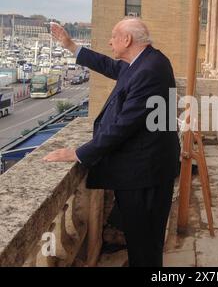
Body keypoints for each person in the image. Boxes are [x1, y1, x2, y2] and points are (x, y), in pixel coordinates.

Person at [43, 19, 181, 267]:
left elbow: (123, 127)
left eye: (113, 36)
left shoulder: (149, 71)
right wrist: (71, 46)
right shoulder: (144, 61)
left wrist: (79, 152)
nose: (109, 41)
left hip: (146, 174)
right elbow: (109, 66)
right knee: (142, 242)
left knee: (145, 246)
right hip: (147, 169)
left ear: (127, 40)